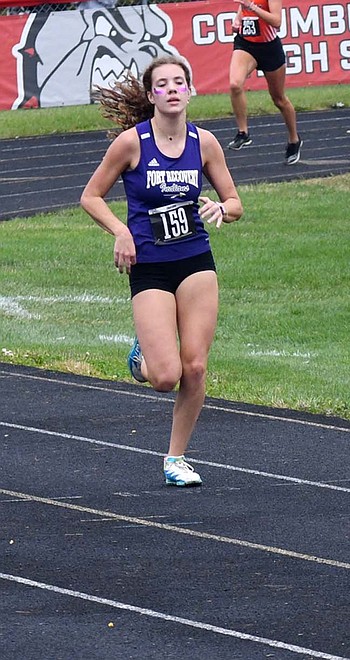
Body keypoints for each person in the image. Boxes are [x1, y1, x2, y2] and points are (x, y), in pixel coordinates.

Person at [81, 55, 243, 487]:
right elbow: (91, 196)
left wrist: (221, 208)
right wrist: (121, 231)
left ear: (190, 90)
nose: (172, 89)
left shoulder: (204, 143)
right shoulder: (131, 143)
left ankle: (176, 458)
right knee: (165, 377)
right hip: (149, 265)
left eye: (179, 82)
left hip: (195, 261)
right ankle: (144, 357)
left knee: (195, 367)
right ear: (152, 95)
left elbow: (236, 202)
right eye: (163, 84)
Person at [227, 0, 303, 165]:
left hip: (269, 48)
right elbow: (243, 7)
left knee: (279, 99)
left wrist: (253, 7)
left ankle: (294, 140)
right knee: (235, 84)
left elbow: (277, 22)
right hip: (245, 44)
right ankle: (243, 133)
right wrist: (238, 18)